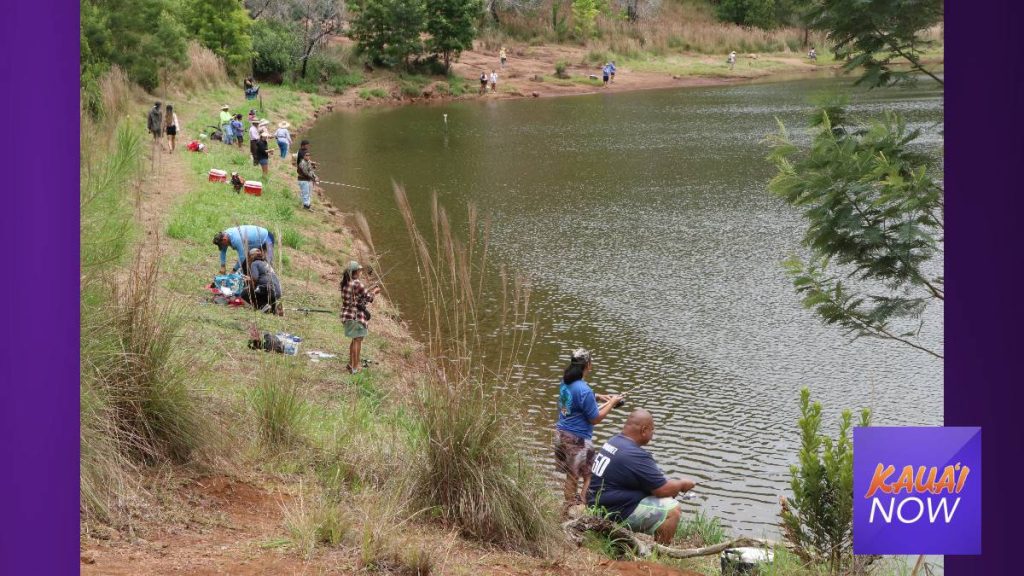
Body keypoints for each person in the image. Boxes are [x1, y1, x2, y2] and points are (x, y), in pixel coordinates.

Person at [587, 409, 697, 545]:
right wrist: (682, 484)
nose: (653, 434)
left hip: (595, 505)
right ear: (644, 430)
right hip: (610, 512)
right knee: (672, 509)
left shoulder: (613, 442)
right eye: (652, 430)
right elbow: (662, 490)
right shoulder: (635, 454)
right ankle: (661, 553)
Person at [554, 348, 623, 515]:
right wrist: (612, 403)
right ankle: (582, 512)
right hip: (577, 440)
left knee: (571, 476)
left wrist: (598, 397)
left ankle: (568, 507)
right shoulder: (584, 390)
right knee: (590, 476)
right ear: (588, 365)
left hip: (560, 434)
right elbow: (595, 419)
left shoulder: (566, 382)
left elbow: (577, 398)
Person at [341, 261, 380, 374]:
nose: (361, 271)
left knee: (354, 340)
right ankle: (355, 367)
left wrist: (367, 292)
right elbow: (369, 298)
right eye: (360, 269)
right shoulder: (357, 283)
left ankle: (351, 364)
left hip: (347, 315)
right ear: (356, 272)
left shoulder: (346, 283)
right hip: (355, 317)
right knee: (357, 340)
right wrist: (375, 291)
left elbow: (357, 298)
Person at [241, 248, 283, 315]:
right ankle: (274, 309)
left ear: (252, 256)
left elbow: (255, 279)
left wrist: (249, 283)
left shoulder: (254, 263)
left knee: (244, 293)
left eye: (249, 256)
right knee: (261, 290)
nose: (248, 259)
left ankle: (263, 306)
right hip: (278, 291)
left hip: (268, 289)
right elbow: (263, 277)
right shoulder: (266, 264)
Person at [296, 140, 318, 210]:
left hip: (307, 179)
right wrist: (313, 178)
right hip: (303, 180)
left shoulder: (307, 162)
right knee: (305, 193)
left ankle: (307, 205)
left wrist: (314, 176)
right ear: (304, 156)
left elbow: (310, 170)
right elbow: (306, 172)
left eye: (309, 155)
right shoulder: (302, 163)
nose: (308, 156)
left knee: (308, 193)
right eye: (306, 155)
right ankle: (306, 206)